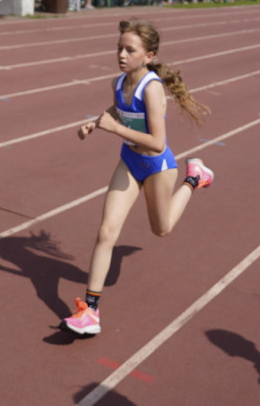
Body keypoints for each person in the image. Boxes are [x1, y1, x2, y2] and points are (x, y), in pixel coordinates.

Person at [61, 19, 215, 336]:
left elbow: (158, 142)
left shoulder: (153, 87)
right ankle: (90, 312)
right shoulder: (119, 83)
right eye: (119, 48)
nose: (121, 54)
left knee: (162, 229)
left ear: (148, 55)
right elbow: (118, 109)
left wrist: (115, 129)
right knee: (106, 231)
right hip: (129, 161)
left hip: (158, 166)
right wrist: (95, 123)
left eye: (130, 50)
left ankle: (193, 178)